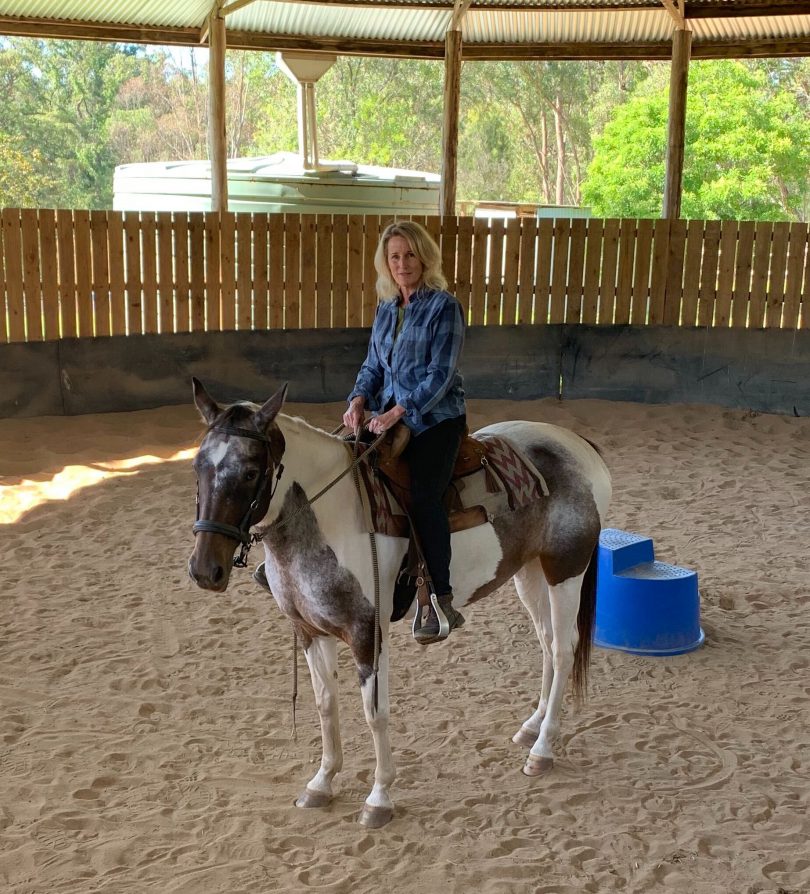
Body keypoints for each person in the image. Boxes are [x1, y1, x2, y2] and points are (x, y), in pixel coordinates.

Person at [343, 220, 467, 645]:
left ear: (424, 257)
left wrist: (399, 411)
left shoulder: (444, 307)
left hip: (436, 419)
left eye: (409, 255)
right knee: (340, 465)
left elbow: (440, 375)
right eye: (394, 256)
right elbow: (374, 366)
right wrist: (358, 399)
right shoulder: (385, 308)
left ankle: (439, 597)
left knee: (423, 495)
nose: (402, 264)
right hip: (384, 414)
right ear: (385, 263)